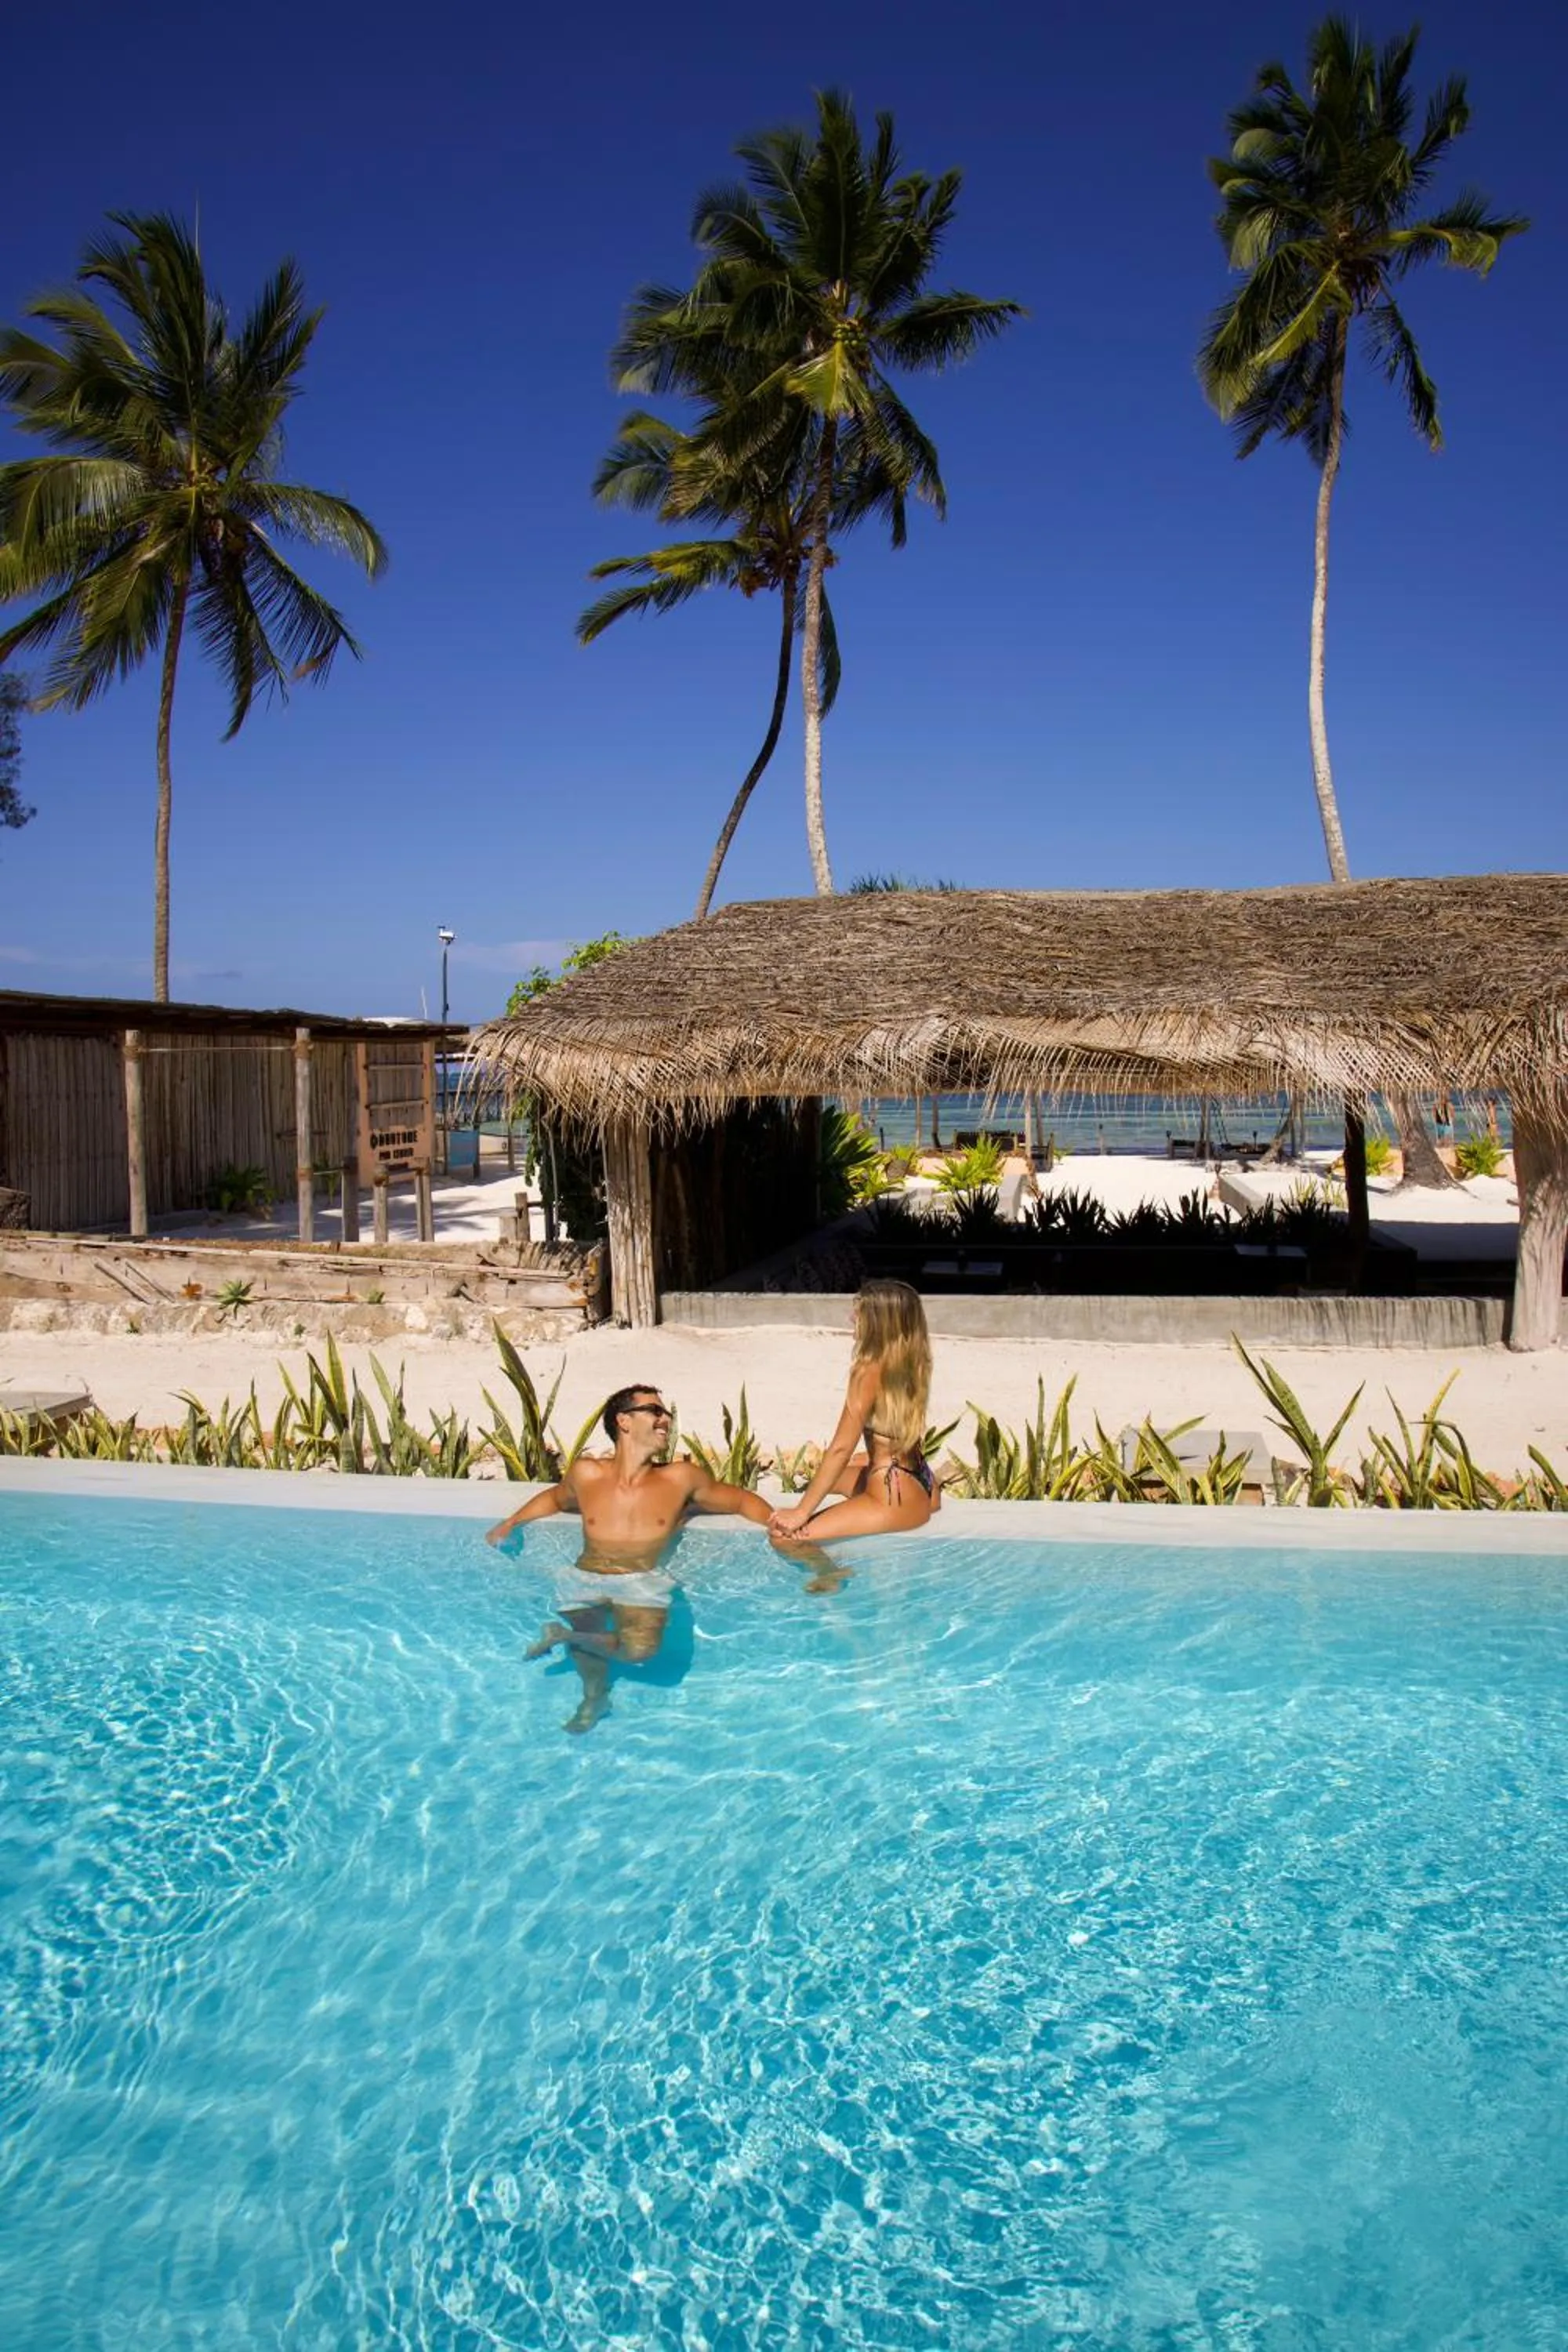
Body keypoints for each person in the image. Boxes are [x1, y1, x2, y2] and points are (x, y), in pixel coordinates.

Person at [486, 1383, 770, 1732]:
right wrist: (512, 1522)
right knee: (592, 1642)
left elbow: (741, 1500)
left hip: (641, 1580)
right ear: (623, 1421)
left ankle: (563, 1636)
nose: (665, 1418)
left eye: (666, 1412)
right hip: (584, 1575)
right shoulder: (587, 1473)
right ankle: (594, 1697)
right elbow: (557, 1499)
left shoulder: (680, 1478)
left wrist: (778, 1524)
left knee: (640, 1652)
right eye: (655, 1411)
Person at [768, 1279, 939, 1546]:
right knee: (832, 1479)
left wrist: (801, 1513)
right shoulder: (913, 1360)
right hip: (924, 1484)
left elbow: (840, 1448)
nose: (852, 1317)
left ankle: (832, 1578)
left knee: (785, 1539)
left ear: (877, 1324)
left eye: (859, 1313)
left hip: (892, 1497)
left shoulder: (868, 1371)